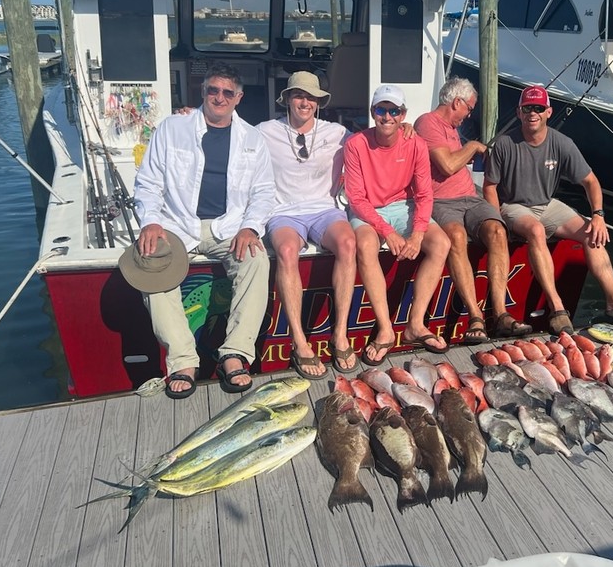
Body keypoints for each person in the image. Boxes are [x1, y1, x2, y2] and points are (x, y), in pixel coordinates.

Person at [125, 62, 276, 398]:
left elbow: (264, 192)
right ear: (203, 92)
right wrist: (150, 220)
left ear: (238, 97)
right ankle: (182, 360)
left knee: (256, 260)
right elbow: (148, 182)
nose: (218, 98)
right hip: (177, 224)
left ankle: (235, 354)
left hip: (229, 227)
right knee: (150, 262)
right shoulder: (172, 128)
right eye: (212, 90)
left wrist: (251, 227)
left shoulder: (253, 138)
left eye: (227, 92)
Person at [483, 85, 613, 334]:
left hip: (546, 203)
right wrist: (496, 220)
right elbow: (490, 186)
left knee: (591, 233)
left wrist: (598, 216)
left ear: (548, 112)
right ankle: (558, 308)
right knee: (536, 230)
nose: (533, 113)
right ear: (519, 112)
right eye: (527, 108)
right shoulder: (504, 143)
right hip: (513, 205)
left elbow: (591, 181)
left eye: (538, 108)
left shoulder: (562, 143)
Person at [414, 77, 533, 343]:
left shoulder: (452, 128)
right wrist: (473, 146)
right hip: (442, 201)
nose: (468, 115)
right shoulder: (428, 122)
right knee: (455, 236)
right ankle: (475, 316)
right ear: (456, 102)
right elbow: (446, 165)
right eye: (468, 109)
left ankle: (501, 314)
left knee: (497, 231)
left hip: (470, 197)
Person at [256, 71, 358, 380]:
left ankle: (339, 335)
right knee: (286, 250)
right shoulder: (264, 131)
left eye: (311, 97)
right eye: (299, 95)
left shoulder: (338, 133)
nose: (305, 102)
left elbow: (376, 143)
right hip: (284, 211)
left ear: (319, 103)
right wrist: (187, 117)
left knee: (348, 243)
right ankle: (300, 342)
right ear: (287, 98)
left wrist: (405, 130)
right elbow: (227, 134)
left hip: (323, 209)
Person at [344, 84, 452, 366]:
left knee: (441, 242)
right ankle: (385, 329)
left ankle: (416, 324)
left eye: (395, 110)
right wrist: (387, 232)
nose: (388, 116)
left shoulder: (416, 143)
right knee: (366, 244)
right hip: (368, 208)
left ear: (403, 115)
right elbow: (356, 198)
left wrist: (417, 234)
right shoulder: (356, 144)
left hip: (404, 206)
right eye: (382, 109)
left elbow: (425, 193)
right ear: (373, 112)